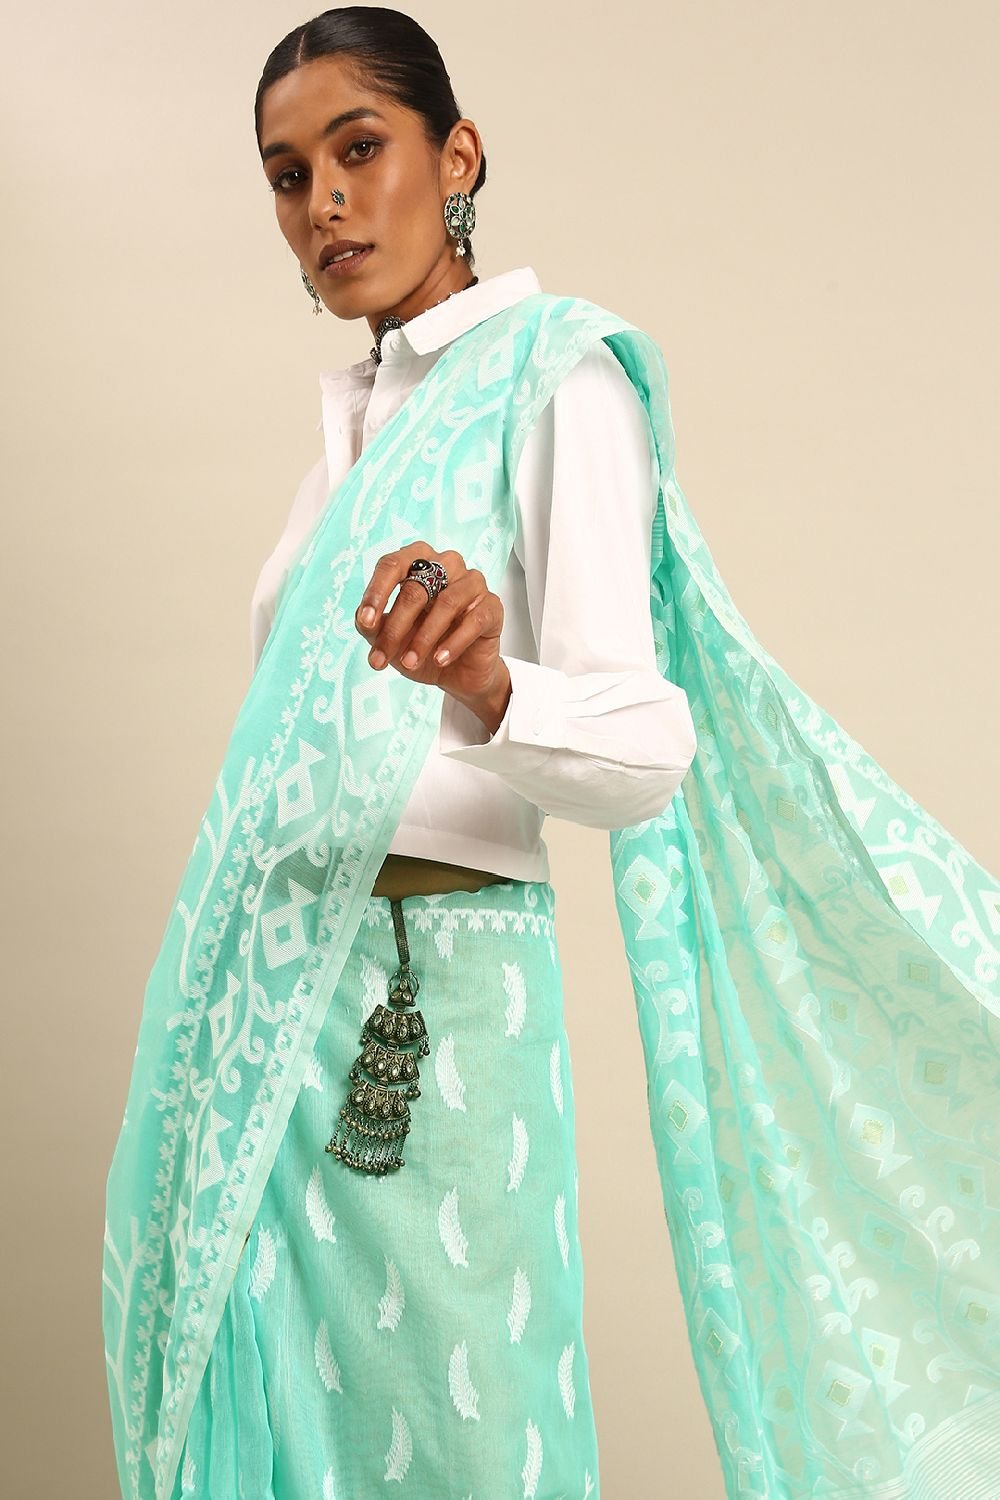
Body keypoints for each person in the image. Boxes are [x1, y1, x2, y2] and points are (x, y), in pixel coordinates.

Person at [103, 9, 1000, 1500]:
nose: (323, 202)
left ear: (458, 156)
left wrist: (487, 681)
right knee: (284, 1438)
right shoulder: (350, 435)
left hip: (431, 1002)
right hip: (268, 1016)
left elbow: (647, 748)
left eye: (360, 149)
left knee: (467, 1436)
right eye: (287, 175)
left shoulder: (555, 380)